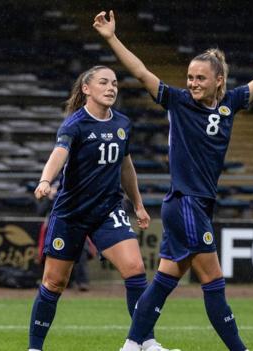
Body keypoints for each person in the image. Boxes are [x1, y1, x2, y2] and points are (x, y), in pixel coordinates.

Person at [93, 10, 253, 351]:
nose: (192, 83)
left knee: (164, 280)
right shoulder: (178, 101)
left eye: (200, 78)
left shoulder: (231, 103)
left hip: (192, 205)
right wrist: (112, 38)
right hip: (186, 203)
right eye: (190, 77)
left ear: (219, 81)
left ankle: (131, 344)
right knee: (214, 281)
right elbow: (142, 72)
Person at [28, 65, 170, 351]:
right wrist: (45, 180)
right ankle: (35, 348)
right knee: (54, 283)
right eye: (104, 82)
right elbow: (59, 153)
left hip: (108, 210)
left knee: (135, 268)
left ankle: (145, 342)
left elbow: (125, 166)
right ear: (86, 89)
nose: (111, 88)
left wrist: (138, 205)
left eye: (115, 83)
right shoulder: (75, 124)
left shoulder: (122, 124)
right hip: (71, 213)